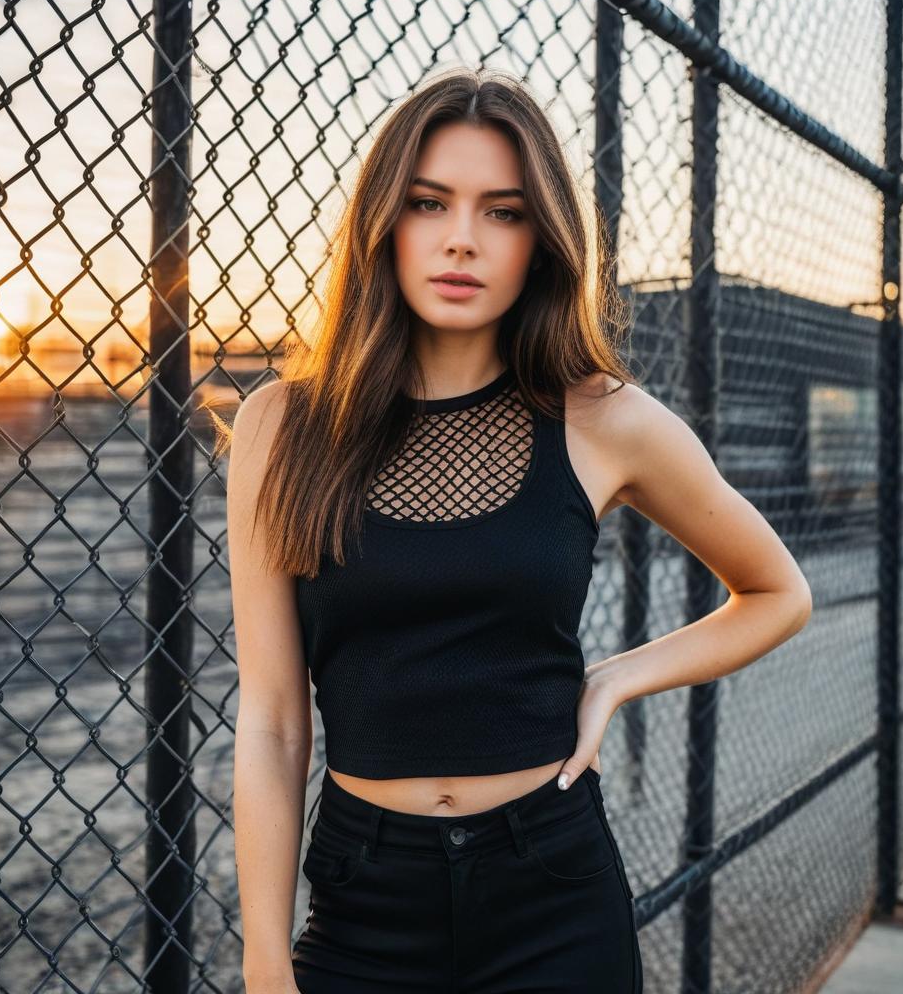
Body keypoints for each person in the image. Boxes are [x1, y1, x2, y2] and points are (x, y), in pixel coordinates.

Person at [222, 65, 812, 994]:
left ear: (542, 242)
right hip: (364, 902)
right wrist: (264, 956)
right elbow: (271, 721)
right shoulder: (282, 426)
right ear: (382, 222)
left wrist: (616, 678)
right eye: (428, 203)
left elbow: (777, 593)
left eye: (503, 212)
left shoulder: (605, 419)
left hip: (552, 887)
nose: (462, 238)